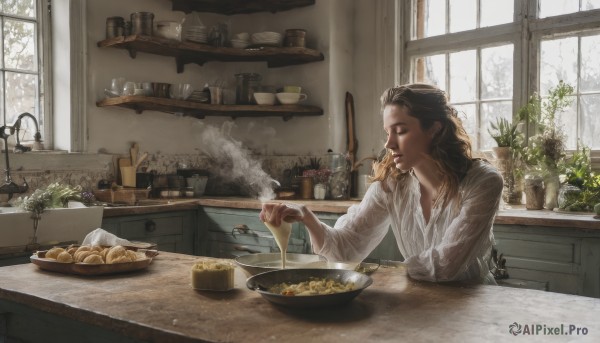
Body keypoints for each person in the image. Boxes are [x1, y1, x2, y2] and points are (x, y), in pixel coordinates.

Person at [260, 83, 503, 284]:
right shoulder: (392, 183)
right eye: (388, 132)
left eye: (400, 131)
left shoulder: (482, 182)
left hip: (473, 307)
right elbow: (346, 250)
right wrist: (306, 217)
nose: (389, 144)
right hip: (418, 303)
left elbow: (446, 265)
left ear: (435, 130)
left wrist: (380, 274)